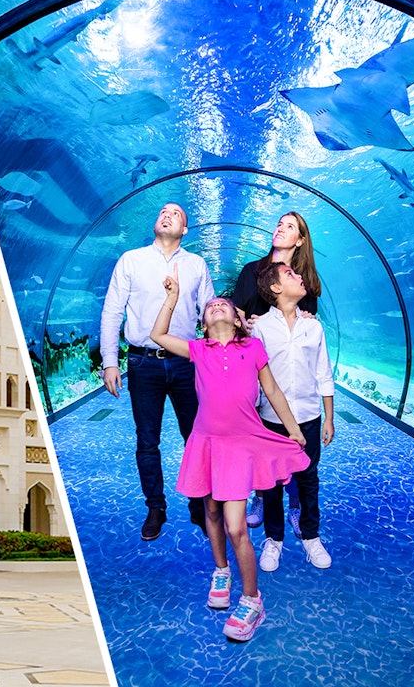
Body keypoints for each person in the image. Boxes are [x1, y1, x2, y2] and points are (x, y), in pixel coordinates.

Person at [150, 269, 309, 642]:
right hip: (206, 443)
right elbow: (156, 336)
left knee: (237, 525)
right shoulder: (197, 350)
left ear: (239, 319)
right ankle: (221, 569)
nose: (218, 306)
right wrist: (172, 299)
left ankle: (252, 600)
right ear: (203, 324)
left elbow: (272, 391)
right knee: (211, 511)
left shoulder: (252, 348)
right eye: (210, 307)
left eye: (225, 305)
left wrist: (294, 429)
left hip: (240, 444)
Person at [100, 202, 216, 541]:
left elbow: (210, 314)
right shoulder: (131, 260)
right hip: (142, 362)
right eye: (162, 211)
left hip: (185, 361)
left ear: (184, 230)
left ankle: (199, 503)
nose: (166, 214)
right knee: (147, 441)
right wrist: (110, 360)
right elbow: (112, 312)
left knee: (195, 437)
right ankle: (156, 507)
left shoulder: (196, 265)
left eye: (176, 214)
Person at [231, 211, 323, 530]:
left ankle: (295, 503)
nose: (280, 229)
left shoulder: (302, 283)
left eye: (289, 227)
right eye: (279, 224)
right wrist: (248, 324)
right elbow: (237, 314)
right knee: (263, 438)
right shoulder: (251, 271)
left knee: (295, 441)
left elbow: (309, 325)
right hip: (255, 371)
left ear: (300, 240)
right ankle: (263, 494)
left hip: (291, 376)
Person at [252, 262, 335, 570]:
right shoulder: (260, 327)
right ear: (276, 288)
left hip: (310, 416)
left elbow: (323, 373)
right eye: (290, 275)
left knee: (309, 478)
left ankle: (311, 537)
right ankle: (274, 539)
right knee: (271, 482)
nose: (299, 277)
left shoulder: (313, 326)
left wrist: (329, 417)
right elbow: (255, 377)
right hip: (271, 418)